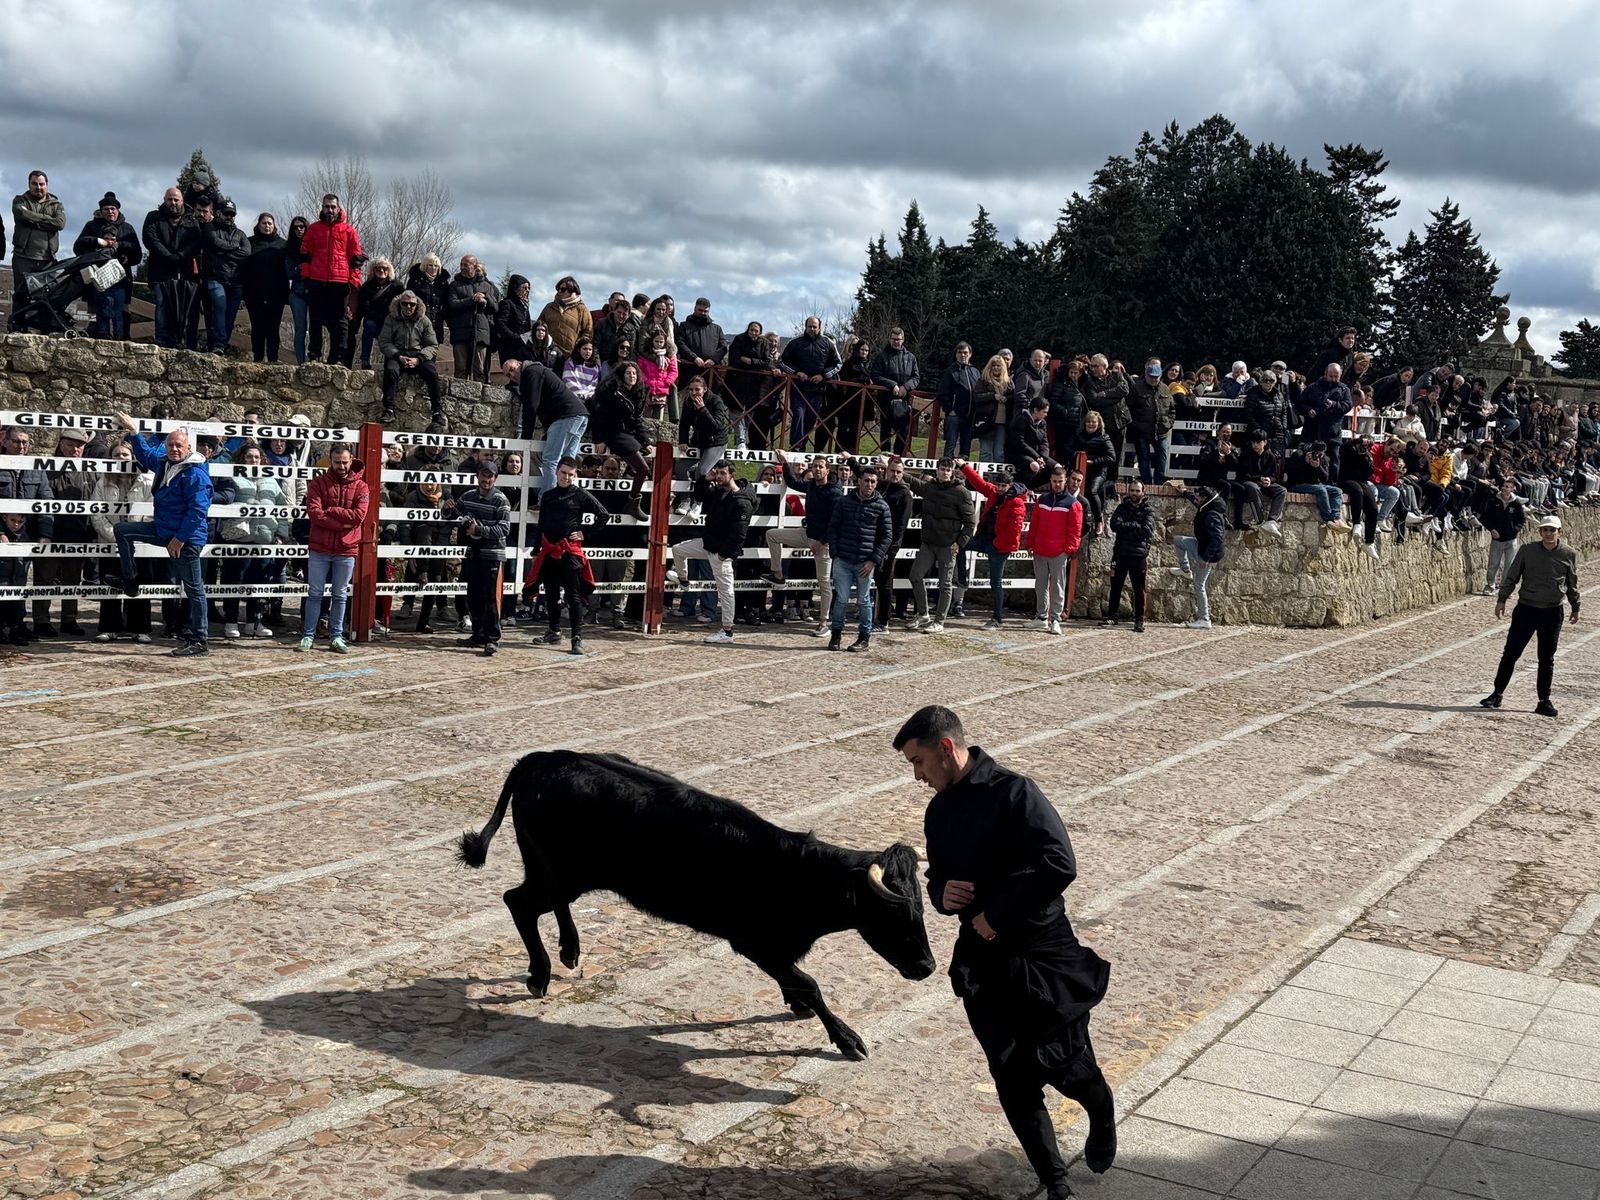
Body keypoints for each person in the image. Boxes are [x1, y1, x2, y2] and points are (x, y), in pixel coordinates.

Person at [897, 705, 1115, 1200]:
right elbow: (937, 880)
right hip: (983, 962)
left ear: (946, 749)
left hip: (1041, 952)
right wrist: (941, 893)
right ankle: (1054, 1182)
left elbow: (1060, 864)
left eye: (919, 762)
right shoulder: (939, 809)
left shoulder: (1017, 793)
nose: (917, 775)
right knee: (1011, 1074)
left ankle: (1101, 1113)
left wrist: (998, 916)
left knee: (1065, 1064)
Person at [107, 414, 213, 656]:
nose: (174, 449)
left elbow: (198, 511)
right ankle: (131, 580)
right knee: (122, 530)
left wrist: (180, 539)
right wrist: (134, 432)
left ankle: (200, 640)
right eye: (171, 445)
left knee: (194, 588)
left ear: (189, 448)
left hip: (186, 539)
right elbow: (145, 456)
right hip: (164, 530)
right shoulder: (166, 463)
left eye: (179, 446)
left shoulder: (195, 474)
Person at [1481, 515, 1579, 717]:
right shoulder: (1527, 551)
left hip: (1552, 611)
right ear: (1540, 532)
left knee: (1546, 657)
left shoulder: (1568, 554)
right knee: (1511, 653)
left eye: (1552, 530)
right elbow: (1512, 575)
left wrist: (1575, 606)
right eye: (1545, 530)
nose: (1549, 534)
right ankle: (1497, 694)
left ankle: (1544, 700)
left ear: (1559, 532)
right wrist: (1502, 599)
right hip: (1526, 609)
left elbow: (1572, 582)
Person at [668, 460, 755, 644]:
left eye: (722, 473)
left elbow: (739, 534)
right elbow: (700, 495)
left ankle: (727, 631)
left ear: (732, 474)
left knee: (726, 592)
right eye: (717, 472)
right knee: (678, 549)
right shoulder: (719, 492)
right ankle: (683, 580)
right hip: (708, 543)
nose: (719, 476)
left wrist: (725, 554)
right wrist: (705, 479)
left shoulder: (742, 502)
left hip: (721, 553)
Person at [531, 456, 611, 655]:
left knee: (573, 596)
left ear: (575, 475)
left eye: (571, 474)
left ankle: (576, 637)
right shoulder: (548, 496)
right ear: (557, 472)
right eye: (563, 473)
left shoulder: (580, 494)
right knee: (550, 594)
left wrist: (586, 532)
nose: (566, 477)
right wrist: (536, 549)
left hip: (569, 552)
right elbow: (541, 524)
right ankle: (554, 631)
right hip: (549, 551)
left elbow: (603, 514)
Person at [296, 443, 368, 653]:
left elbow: (359, 516)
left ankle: (336, 636)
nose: (342, 466)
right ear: (331, 461)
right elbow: (315, 513)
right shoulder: (318, 483)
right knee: (315, 593)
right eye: (337, 462)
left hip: (346, 549)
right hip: (320, 547)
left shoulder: (362, 486)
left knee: (340, 595)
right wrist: (342, 523)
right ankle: (308, 635)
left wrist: (333, 510)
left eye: (345, 462)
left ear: (351, 459)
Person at [218, 443, 290, 638]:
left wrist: (281, 534)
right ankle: (231, 621)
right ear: (242, 458)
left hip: (265, 538)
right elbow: (226, 504)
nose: (253, 460)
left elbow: (283, 508)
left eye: (257, 457)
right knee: (233, 579)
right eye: (249, 457)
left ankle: (254, 623)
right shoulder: (233, 478)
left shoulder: (271, 481)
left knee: (260, 582)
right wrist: (247, 505)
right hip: (240, 537)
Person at [764, 450, 840, 632]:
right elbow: (792, 482)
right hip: (807, 535)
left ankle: (823, 622)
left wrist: (822, 542)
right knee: (772, 534)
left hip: (824, 543)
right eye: (815, 467)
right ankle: (778, 575)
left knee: (824, 583)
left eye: (821, 467)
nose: (818, 470)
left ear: (827, 470)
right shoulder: (812, 485)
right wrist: (784, 462)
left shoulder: (834, 492)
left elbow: (836, 521)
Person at [444, 458, 511, 656]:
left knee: (491, 598)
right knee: (473, 596)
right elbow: (452, 515)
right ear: (478, 476)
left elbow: (504, 529)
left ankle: (492, 639)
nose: (486, 479)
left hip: (492, 554)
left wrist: (478, 529)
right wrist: (447, 508)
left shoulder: (501, 500)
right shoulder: (468, 496)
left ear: (495, 479)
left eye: (490, 476)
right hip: (473, 554)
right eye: (483, 475)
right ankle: (478, 634)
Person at [824, 460, 892, 652]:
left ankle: (864, 637)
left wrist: (873, 560)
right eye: (866, 480)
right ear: (858, 481)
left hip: (865, 562)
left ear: (876, 483)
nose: (869, 484)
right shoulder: (844, 502)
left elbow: (887, 536)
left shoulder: (882, 507)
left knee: (864, 601)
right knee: (842, 599)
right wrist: (835, 554)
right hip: (843, 560)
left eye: (873, 481)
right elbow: (833, 528)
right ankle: (836, 635)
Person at [91, 440, 155, 644]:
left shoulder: (147, 479)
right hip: (110, 542)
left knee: (140, 584)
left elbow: (153, 510)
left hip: (140, 542)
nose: (121, 459)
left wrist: (135, 534)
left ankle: (140, 628)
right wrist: (116, 536)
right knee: (110, 583)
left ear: (133, 457)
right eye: (116, 455)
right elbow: (96, 513)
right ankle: (110, 627)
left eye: (125, 455)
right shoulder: (102, 482)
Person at [30, 429, 92, 638]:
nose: (75, 449)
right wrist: (42, 532)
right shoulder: (46, 469)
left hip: (77, 534)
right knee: (44, 579)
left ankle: (69, 620)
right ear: (60, 444)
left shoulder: (90, 470)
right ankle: (41, 621)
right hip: (50, 533)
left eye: (79, 445)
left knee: (73, 580)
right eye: (70, 444)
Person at [905, 457, 978, 633]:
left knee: (945, 584)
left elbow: (970, 523)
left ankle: (939, 621)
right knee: (915, 575)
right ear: (937, 470)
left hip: (948, 545)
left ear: (952, 471)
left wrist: (959, 543)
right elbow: (913, 482)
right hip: (929, 543)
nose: (945, 472)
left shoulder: (961, 492)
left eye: (948, 469)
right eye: (942, 469)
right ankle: (923, 614)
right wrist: (891, 465)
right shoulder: (930, 487)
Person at [959, 459, 1028, 630]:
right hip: (986, 539)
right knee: (960, 545)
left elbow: (1014, 530)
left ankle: (997, 618)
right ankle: (962, 579)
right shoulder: (995, 493)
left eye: (1003, 486)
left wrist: (997, 544)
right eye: (998, 485)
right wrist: (963, 466)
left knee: (995, 582)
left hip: (1000, 546)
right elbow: (979, 483)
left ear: (1010, 486)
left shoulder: (1016, 502)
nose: (1000, 488)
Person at [299, 194, 364, 365]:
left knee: (340, 321)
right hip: (317, 279)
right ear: (322, 207)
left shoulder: (348, 230)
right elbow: (305, 255)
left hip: (340, 281)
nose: (330, 210)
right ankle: (314, 354)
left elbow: (356, 259)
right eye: (327, 206)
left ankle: (338, 357)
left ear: (338, 208)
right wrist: (306, 277)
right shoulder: (313, 229)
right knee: (315, 318)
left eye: (333, 207)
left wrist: (353, 281)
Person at [587, 361, 652, 520]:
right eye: (628, 373)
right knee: (643, 468)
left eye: (634, 373)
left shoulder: (636, 394)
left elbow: (636, 420)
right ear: (622, 375)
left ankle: (631, 502)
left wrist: (645, 441)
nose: (632, 376)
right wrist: (599, 439)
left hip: (626, 434)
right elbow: (599, 415)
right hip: (613, 433)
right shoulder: (612, 391)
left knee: (642, 467)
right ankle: (633, 503)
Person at [72, 192, 141, 339]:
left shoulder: (127, 228)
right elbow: (77, 247)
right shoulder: (91, 226)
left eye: (113, 209)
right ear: (101, 211)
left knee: (122, 309)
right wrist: (97, 243)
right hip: (97, 277)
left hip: (121, 277)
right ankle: (97, 336)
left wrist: (126, 255)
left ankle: (123, 337)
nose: (110, 212)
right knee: (96, 308)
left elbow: (138, 253)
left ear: (118, 210)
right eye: (106, 209)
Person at [142, 188, 202, 350]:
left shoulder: (191, 219)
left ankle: (181, 341)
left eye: (176, 199)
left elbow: (196, 242)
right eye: (169, 199)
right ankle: (161, 339)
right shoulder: (153, 217)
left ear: (182, 200)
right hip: (160, 270)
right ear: (164, 200)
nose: (173, 203)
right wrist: (168, 255)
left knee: (184, 308)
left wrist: (181, 255)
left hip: (185, 272)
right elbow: (149, 238)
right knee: (162, 304)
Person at [1027, 463, 1083, 635]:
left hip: (1059, 551)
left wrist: (1068, 550)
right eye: (1054, 481)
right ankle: (1042, 617)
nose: (1056, 484)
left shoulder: (1072, 503)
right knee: (1041, 585)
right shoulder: (1041, 500)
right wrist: (1030, 543)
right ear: (1050, 481)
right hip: (1040, 549)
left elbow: (1076, 530)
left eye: (1060, 481)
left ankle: (1055, 619)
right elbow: (1034, 524)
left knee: (1058, 586)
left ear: (1065, 481)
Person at [9, 169, 65, 333]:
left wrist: (32, 217)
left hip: (47, 258)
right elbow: (21, 216)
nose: (38, 187)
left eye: (41, 184)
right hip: (22, 256)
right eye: (34, 184)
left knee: (46, 296)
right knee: (21, 294)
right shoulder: (20, 200)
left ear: (47, 185)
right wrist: (48, 221)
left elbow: (60, 224)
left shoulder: (56, 204)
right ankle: (18, 328)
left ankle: (45, 330)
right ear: (29, 184)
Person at [377, 291, 443, 427]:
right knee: (390, 370)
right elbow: (384, 341)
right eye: (405, 304)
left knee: (432, 373)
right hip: (397, 354)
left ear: (416, 305)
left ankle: (437, 411)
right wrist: (397, 356)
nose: (408, 307)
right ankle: (389, 409)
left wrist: (419, 359)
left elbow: (432, 344)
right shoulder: (391, 318)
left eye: (412, 304)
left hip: (418, 354)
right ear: (399, 304)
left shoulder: (424, 320)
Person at [1168, 480, 1225, 630]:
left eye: (1199, 498)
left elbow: (1217, 539)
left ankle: (1204, 619)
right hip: (1201, 545)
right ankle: (1186, 570)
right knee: (1178, 540)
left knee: (1199, 585)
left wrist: (1205, 559)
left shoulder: (1212, 515)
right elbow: (1195, 500)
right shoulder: (1206, 506)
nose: (1196, 499)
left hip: (1208, 555)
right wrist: (1185, 491)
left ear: (1205, 499)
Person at [780, 316, 842, 451]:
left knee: (810, 420)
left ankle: (803, 445)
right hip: (798, 388)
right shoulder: (795, 342)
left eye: (814, 327)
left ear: (820, 327)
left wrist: (823, 376)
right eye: (809, 326)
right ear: (805, 327)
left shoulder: (828, 343)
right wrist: (797, 372)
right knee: (798, 415)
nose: (812, 329)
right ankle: (796, 447)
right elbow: (783, 361)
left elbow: (838, 364)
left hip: (817, 390)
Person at [1103, 478, 1155, 631]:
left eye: (1137, 491)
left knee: (1139, 589)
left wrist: (1126, 529)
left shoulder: (1148, 510)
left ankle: (1139, 619)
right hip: (1120, 554)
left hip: (1138, 556)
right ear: (1128, 491)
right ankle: (1112, 616)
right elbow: (1114, 525)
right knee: (1115, 586)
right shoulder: (1122, 507)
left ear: (1142, 492)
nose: (1134, 493)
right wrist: (1134, 525)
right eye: (1132, 490)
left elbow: (1146, 531)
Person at [198, 197, 248, 353]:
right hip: (216, 278)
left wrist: (225, 253)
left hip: (236, 281)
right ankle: (219, 344)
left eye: (232, 214)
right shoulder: (209, 228)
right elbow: (214, 242)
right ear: (218, 213)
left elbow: (247, 251)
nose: (229, 217)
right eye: (226, 213)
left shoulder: (240, 233)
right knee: (219, 308)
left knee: (230, 316)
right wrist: (234, 248)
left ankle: (221, 345)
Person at [241, 213, 289, 362]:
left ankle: (273, 359)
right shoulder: (250, 242)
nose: (267, 226)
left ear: (274, 225)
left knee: (273, 328)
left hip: (277, 294)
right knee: (257, 327)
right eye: (264, 223)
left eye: (270, 223)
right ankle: (258, 359)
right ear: (258, 225)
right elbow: (243, 268)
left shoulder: (283, 244)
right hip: (254, 293)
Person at [444, 255, 499, 381]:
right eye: (461, 264)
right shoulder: (454, 285)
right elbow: (453, 304)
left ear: (474, 266)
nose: (462, 267)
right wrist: (472, 299)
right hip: (460, 332)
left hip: (481, 333)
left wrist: (485, 297)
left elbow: (495, 308)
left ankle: (479, 400)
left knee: (479, 370)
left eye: (466, 265)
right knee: (461, 369)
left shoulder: (487, 286)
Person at [869, 328, 920, 455]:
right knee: (885, 432)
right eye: (893, 339)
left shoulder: (911, 357)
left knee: (904, 432)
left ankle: (898, 459)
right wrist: (892, 385)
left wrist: (906, 387)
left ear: (903, 340)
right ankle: (885, 458)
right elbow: (875, 375)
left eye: (898, 339)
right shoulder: (882, 356)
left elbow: (916, 377)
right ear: (890, 339)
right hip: (886, 400)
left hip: (904, 401)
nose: (896, 342)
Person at [1285, 441, 1349, 530]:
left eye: (1321, 454)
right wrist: (1305, 463)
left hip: (1316, 484)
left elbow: (1325, 478)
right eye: (1317, 453)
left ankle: (1336, 517)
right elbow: (1291, 473)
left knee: (1337, 491)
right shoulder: (1299, 455)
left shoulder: (1324, 459)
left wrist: (1318, 467)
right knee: (1321, 490)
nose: (1318, 456)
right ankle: (1328, 519)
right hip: (1298, 484)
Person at [1234, 430, 1286, 536]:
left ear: (1265, 442)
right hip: (1248, 482)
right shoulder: (1246, 454)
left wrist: (1269, 480)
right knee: (1254, 488)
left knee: (1282, 490)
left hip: (1264, 484)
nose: (1255, 445)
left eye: (1258, 442)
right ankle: (1260, 521)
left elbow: (1275, 475)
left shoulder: (1270, 456)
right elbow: (1243, 474)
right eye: (1254, 442)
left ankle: (1272, 520)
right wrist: (1260, 479)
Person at [354, 258, 404, 370]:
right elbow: (364, 308)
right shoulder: (367, 287)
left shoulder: (397, 286)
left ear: (389, 270)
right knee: (369, 325)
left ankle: (391, 362)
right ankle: (365, 360)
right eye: (378, 268)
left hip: (391, 321)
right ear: (373, 270)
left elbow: (401, 307)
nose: (382, 270)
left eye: (385, 268)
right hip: (374, 320)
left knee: (394, 333)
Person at [1480, 476, 1526, 596]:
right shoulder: (1494, 501)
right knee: (1493, 563)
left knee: (1509, 565)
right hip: (1497, 538)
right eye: (1504, 486)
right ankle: (1490, 585)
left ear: (1512, 489)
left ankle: (1505, 588)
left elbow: (1521, 520)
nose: (1504, 488)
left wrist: (1515, 530)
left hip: (1511, 539)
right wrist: (1492, 529)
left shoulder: (1516, 504)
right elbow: (1485, 517)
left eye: (1507, 487)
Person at [937, 342, 980, 459]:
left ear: (970, 354)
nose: (962, 355)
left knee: (965, 449)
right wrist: (950, 410)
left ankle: (962, 474)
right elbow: (942, 393)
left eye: (965, 352)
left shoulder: (975, 372)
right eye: (960, 352)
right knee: (950, 446)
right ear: (956, 354)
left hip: (970, 416)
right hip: (954, 416)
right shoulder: (950, 372)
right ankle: (946, 471)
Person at [676, 296, 727, 392]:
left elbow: (723, 347)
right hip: (689, 371)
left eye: (706, 311)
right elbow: (680, 344)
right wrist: (694, 358)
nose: (703, 313)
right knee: (686, 400)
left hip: (710, 373)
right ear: (695, 308)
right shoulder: (684, 326)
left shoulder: (717, 328)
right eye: (700, 310)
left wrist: (713, 359)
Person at [537, 275, 593, 357]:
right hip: (548, 353)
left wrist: (577, 347)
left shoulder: (582, 309)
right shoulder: (549, 307)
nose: (559, 291)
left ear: (572, 291)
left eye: (563, 289)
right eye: (558, 289)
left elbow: (588, 333)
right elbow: (539, 325)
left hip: (571, 356)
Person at [972, 354, 1013, 465]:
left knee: (999, 453)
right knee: (986, 452)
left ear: (1003, 368)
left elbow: (1014, 397)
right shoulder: (983, 381)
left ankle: (997, 479)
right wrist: (992, 396)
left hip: (1003, 422)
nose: (996, 368)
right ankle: (984, 479)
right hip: (987, 421)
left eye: (999, 366)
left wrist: (1007, 399)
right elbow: (976, 397)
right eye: (993, 365)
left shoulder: (1008, 383)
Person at [1007, 395, 1055, 486]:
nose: (1046, 415)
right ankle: (1020, 487)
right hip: (1019, 454)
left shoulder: (1043, 423)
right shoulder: (1020, 420)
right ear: (1036, 410)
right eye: (1044, 412)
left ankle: (1031, 486)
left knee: (1057, 469)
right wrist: (1037, 457)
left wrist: (1043, 457)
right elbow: (1020, 443)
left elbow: (1044, 442)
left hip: (1037, 455)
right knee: (1034, 466)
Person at [284, 216, 312, 363]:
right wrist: (302, 268)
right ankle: (300, 363)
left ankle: (314, 360)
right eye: (295, 227)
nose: (299, 229)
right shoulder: (290, 248)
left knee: (315, 328)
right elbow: (289, 273)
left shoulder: (315, 245)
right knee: (300, 329)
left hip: (314, 292)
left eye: (302, 226)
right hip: (297, 293)